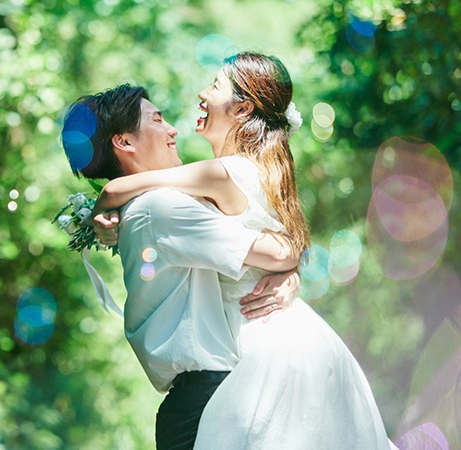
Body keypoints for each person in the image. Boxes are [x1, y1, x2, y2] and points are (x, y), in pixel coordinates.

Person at [92, 52, 396, 449]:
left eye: (215, 86)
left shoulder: (223, 172)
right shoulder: (253, 168)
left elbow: (283, 251)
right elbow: (285, 243)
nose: (202, 94)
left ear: (242, 108)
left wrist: (108, 195)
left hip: (264, 342)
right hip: (279, 334)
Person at [61, 84, 302, 449]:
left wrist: (288, 275)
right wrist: (289, 266)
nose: (172, 129)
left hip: (209, 397)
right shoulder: (161, 209)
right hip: (203, 404)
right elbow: (279, 253)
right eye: (157, 119)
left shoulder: (148, 206)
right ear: (124, 141)